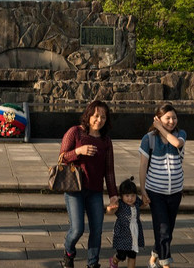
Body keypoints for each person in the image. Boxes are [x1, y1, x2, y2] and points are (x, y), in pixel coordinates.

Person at [58, 100, 118, 268]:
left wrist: (113, 195)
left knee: (97, 231)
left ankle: (93, 263)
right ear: (89, 115)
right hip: (74, 189)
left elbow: (109, 171)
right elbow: (62, 157)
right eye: (96, 116)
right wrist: (78, 151)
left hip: (95, 192)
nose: (99, 120)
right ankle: (69, 251)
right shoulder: (75, 132)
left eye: (103, 117)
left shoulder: (106, 141)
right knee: (77, 229)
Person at [138, 104, 186, 268]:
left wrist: (160, 127)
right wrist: (143, 190)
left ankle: (155, 255)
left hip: (175, 191)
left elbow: (176, 144)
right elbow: (143, 166)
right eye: (167, 118)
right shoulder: (149, 138)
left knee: (168, 231)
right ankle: (166, 264)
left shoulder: (181, 134)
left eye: (174, 118)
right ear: (158, 118)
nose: (172, 121)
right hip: (155, 191)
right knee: (163, 229)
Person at [105, 177, 146, 268]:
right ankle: (114, 260)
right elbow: (110, 212)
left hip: (135, 233)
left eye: (132, 195)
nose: (130, 198)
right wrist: (109, 208)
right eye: (127, 196)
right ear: (121, 196)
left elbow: (142, 205)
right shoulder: (120, 204)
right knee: (122, 255)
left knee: (132, 255)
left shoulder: (137, 202)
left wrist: (146, 201)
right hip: (122, 234)